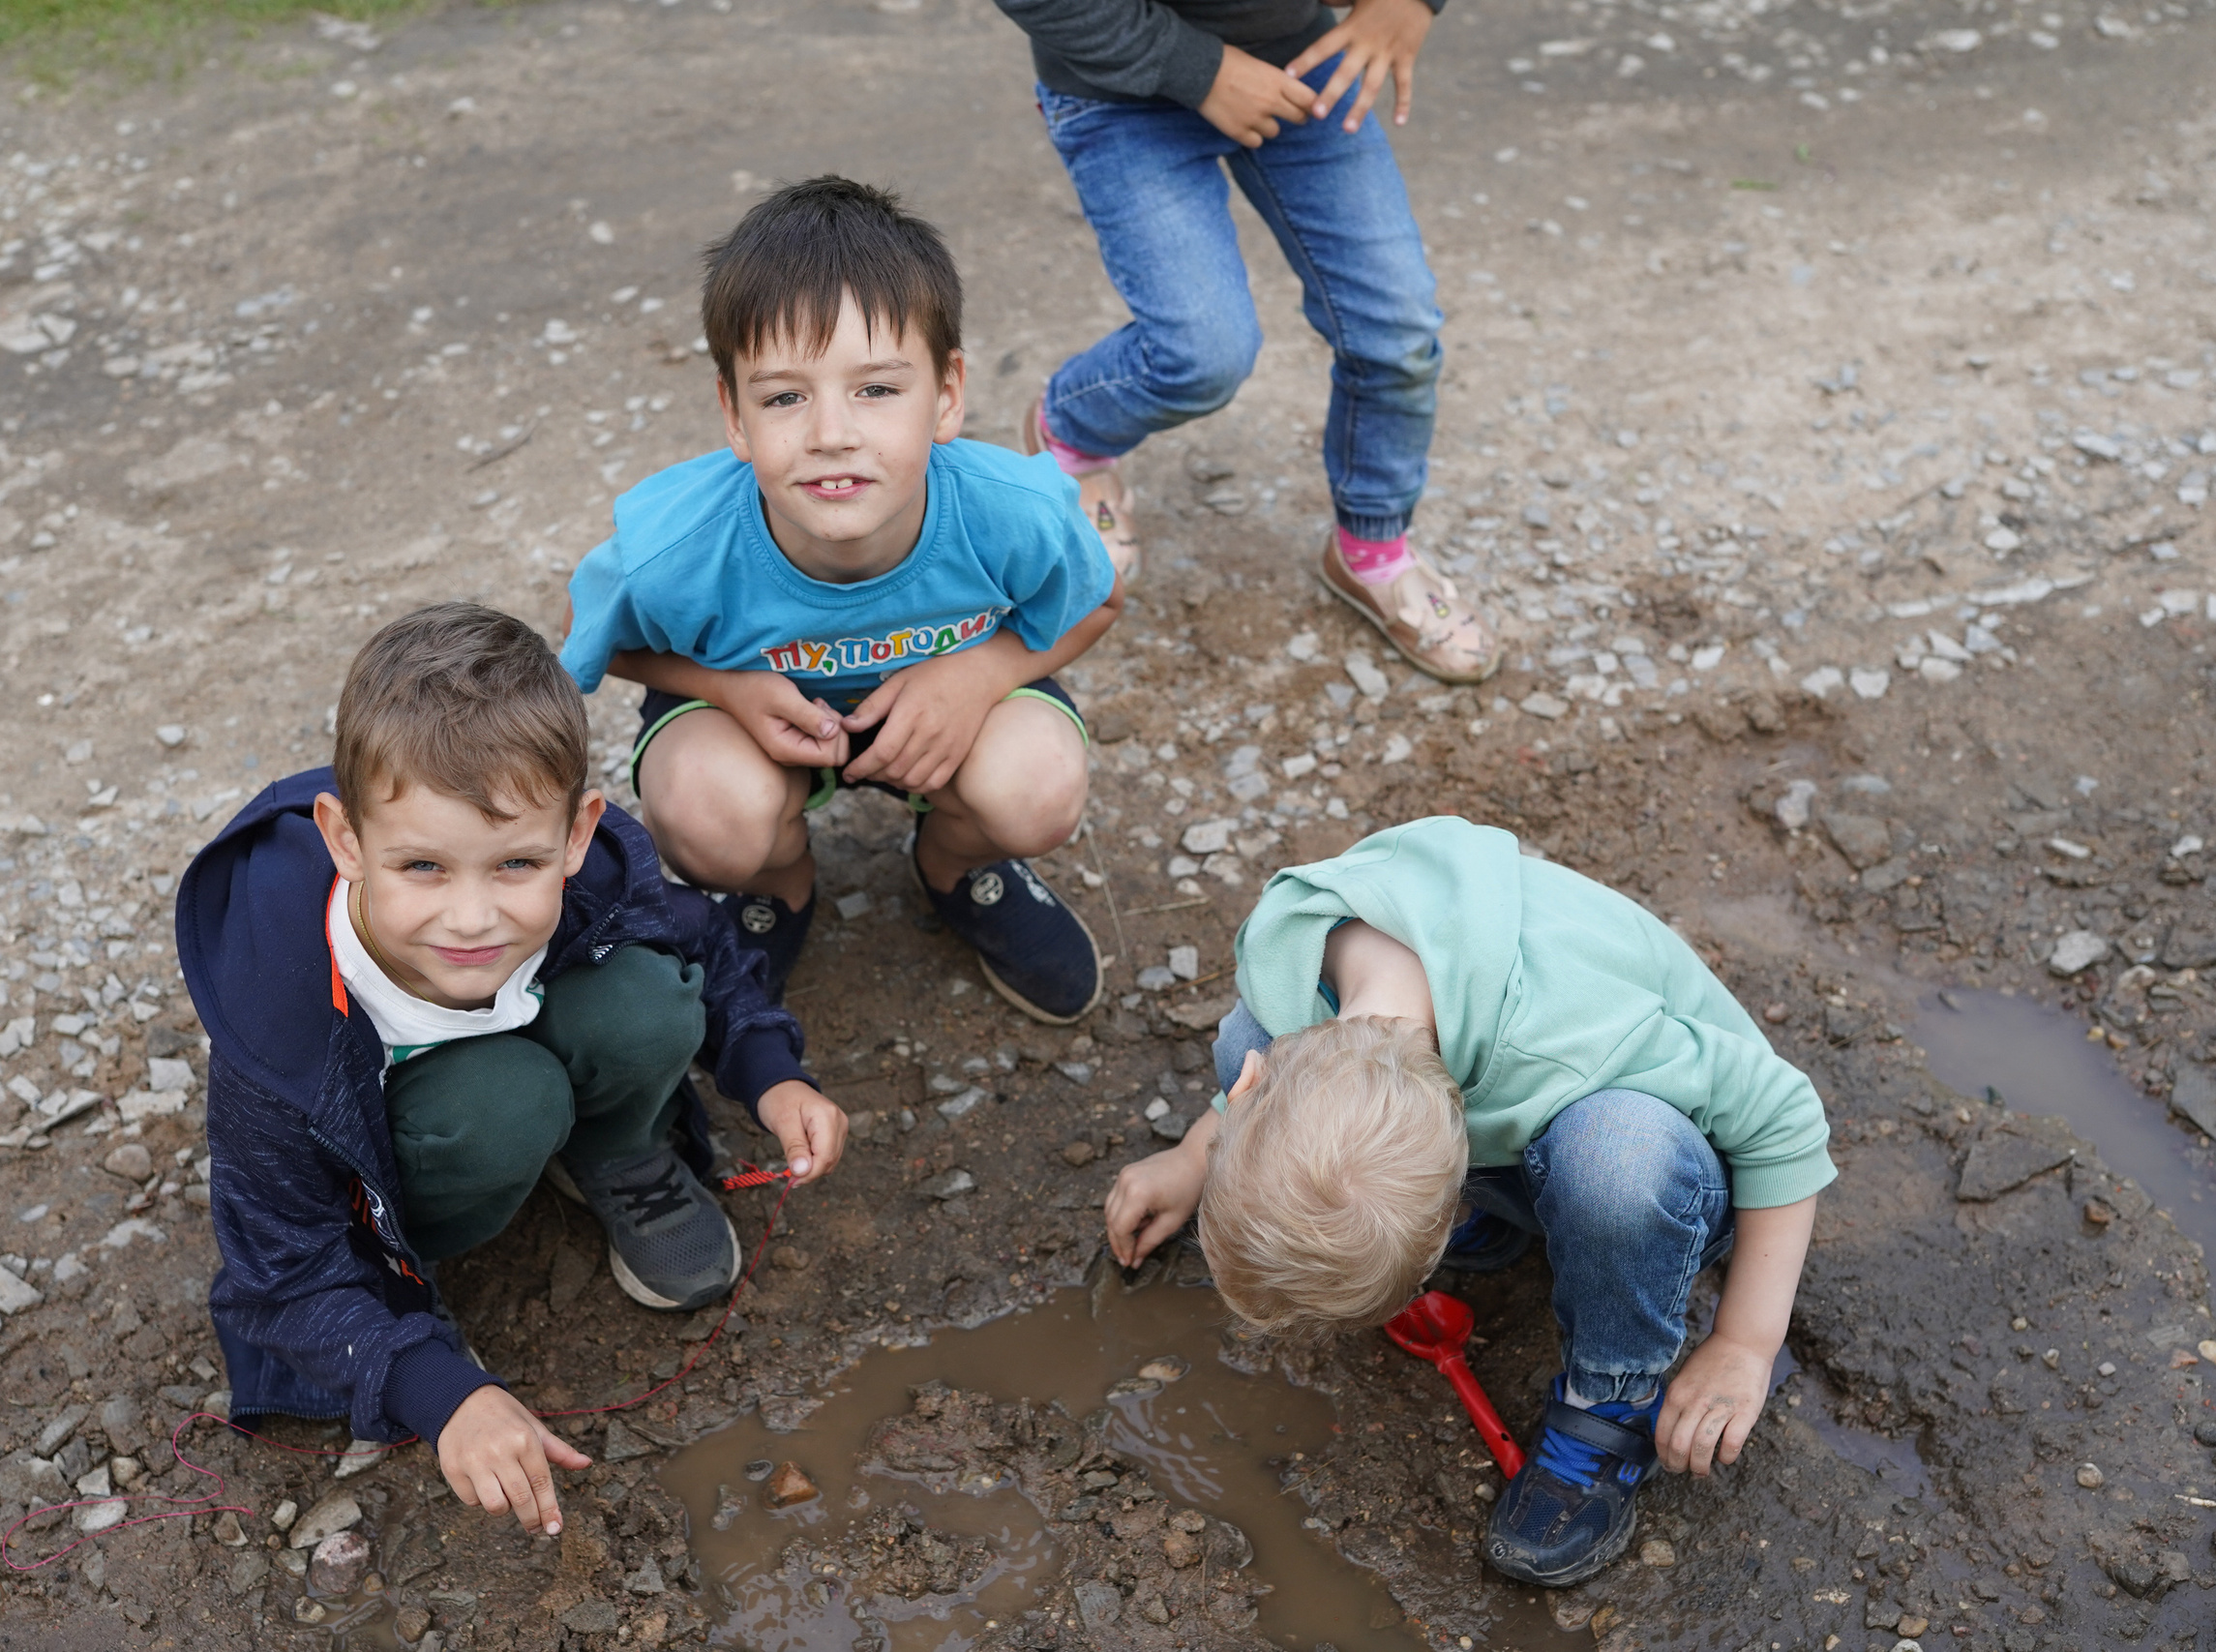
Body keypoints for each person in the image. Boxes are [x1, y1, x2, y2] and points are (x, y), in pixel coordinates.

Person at [176, 602, 847, 1540]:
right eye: (422, 868)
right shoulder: (279, 1003)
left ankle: (616, 1150)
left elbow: (706, 942)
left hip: (527, 1059)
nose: (471, 918)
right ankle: (440, 1239)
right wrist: (434, 1389)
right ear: (344, 839)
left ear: (577, 835)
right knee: (502, 1099)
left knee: (645, 998)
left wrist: (772, 1073)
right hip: (440, 1135)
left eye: (516, 864)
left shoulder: (598, 874)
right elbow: (276, 1270)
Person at [1102, 817, 1835, 1585]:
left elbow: (1787, 1120)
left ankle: (1611, 1398)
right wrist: (1197, 1154)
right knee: (1243, 1030)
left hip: (1668, 1159)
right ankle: (1528, 1212)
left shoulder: (1564, 1036)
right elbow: (1262, 1080)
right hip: (1525, 1112)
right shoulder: (1289, 936)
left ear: (1466, 1150)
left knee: (1614, 1163)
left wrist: (1745, 1342)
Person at [557, 176, 1123, 1024]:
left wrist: (977, 677)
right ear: (735, 415)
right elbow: (596, 642)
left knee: (1038, 784)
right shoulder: (674, 549)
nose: (831, 434)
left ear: (949, 393)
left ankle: (957, 863)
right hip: (760, 731)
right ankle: (778, 887)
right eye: (785, 396)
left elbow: (1097, 602)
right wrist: (728, 688)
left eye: (877, 388)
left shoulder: (1019, 512)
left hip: (957, 719)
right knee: (706, 814)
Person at [989, 0, 1499, 683]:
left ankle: (1372, 551)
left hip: (1304, 60)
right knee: (1202, 354)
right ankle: (1073, 431)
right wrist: (1199, 71)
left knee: (1396, 329)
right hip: (1121, 92)